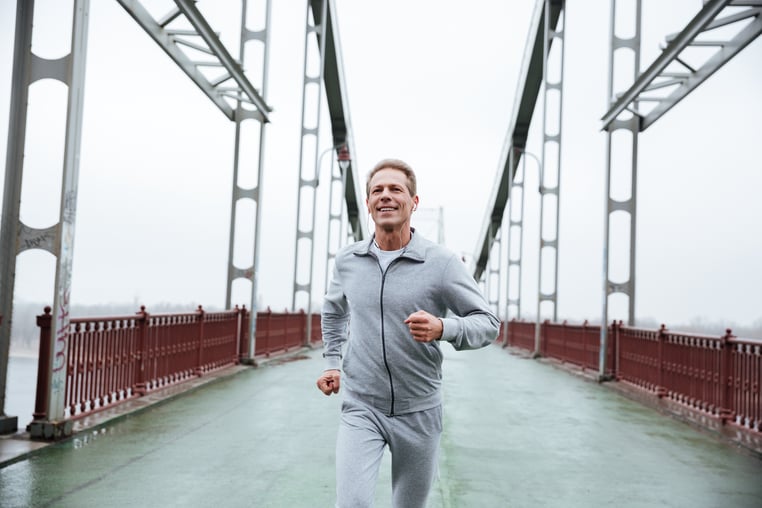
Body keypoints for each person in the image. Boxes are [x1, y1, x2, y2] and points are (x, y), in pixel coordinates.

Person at [316, 158, 500, 508]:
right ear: (368, 204)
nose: (385, 196)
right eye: (377, 190)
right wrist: (331, 363)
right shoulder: (348, 261)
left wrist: (444, 327)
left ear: (413, 202)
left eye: (395, 189)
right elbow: (334, 310)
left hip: (419, 410)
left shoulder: (442, 263)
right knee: (351, 503)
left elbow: (488, 323)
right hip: (362, 406)